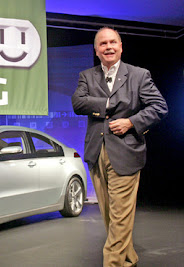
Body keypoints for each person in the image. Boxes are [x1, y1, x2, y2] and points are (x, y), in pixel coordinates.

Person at [71, 27, 168, 266]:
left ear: (121, 46)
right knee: (110, 215)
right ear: (96, 50)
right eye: (103, 44)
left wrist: (131, 122)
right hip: (96, 152)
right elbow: (77, 102)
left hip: (126, 152)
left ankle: (113, 263)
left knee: (120, 216)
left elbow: (159, 107)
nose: (108, 47)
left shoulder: (139, 75)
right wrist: (108, 103)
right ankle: (129, 258)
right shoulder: (87, 76)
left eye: (113, 42)